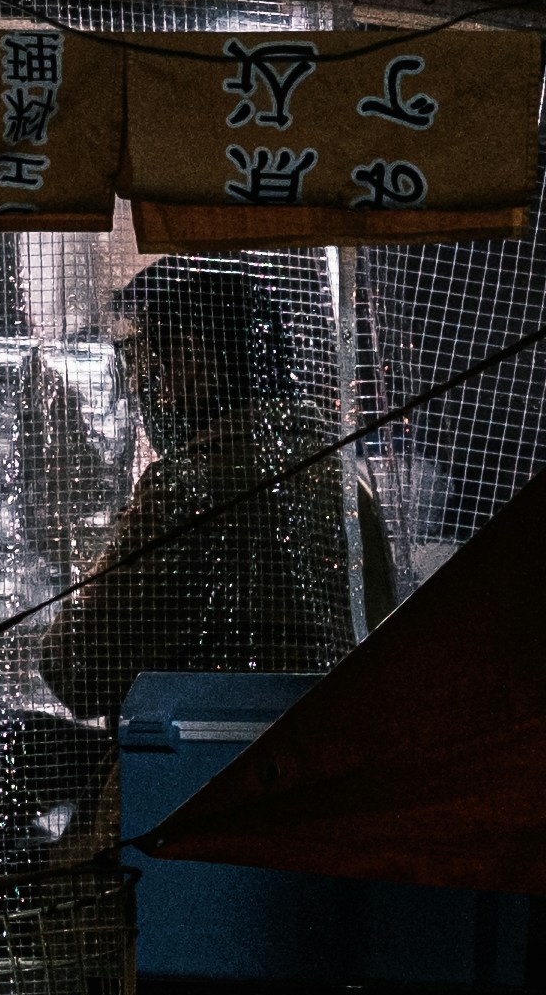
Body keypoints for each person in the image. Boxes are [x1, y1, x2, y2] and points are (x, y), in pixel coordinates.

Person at [47, 256, 386, 721]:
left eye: (143, 366)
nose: (140, 390)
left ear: (191, 361)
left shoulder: (184, 490)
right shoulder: (347, 486)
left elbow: (71, 669)